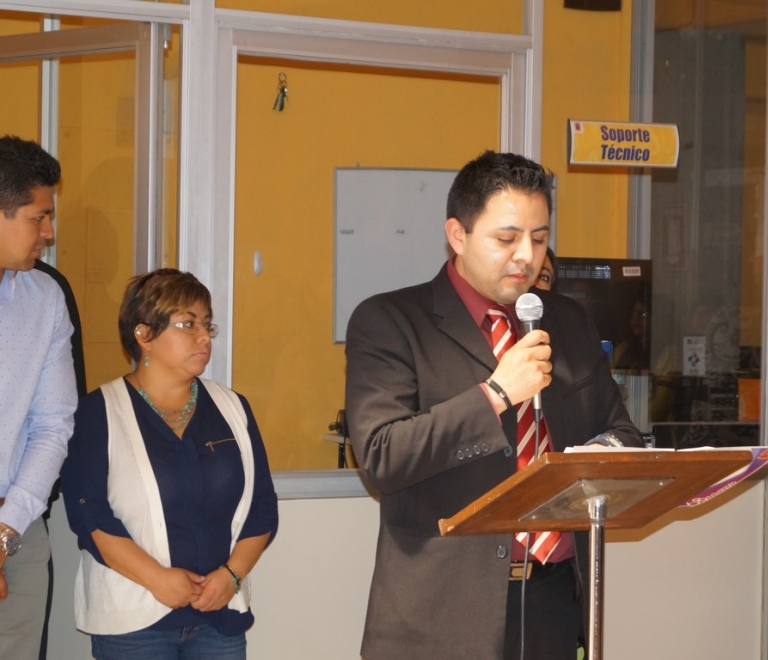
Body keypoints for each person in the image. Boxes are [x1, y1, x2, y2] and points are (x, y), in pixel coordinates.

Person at [345, 150, 642, 660]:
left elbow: (622, 432)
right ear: (457, 235)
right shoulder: (391, 321)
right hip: (442, 615)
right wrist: (497, 394)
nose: (527, 256)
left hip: (553, 602)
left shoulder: (568, 321)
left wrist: (590, 460)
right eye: (507, 239)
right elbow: (382, 456)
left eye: (539, 238)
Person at [60, 268, 278, 660]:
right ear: (144, 335)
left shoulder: (232, 408)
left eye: (207, 325)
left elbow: (262, 506)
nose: (204, 337)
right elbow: (89, 514)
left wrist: (231, 575)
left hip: (219, 618)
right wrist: (158, 579)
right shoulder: (98, 411)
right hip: (134, 623)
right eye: (188, 324)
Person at [0, 135, 77, 660]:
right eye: (38, 217)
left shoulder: (45, 297)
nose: (48, 233)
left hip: (19, 529)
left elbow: (54, 424)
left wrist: (6, 531)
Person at [33, 258, 87, 660]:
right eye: (36, 224)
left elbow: (62, 416)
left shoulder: (46, 289)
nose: (47, 233)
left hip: (22, 516)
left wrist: (35, 501)